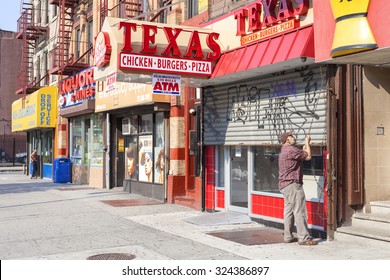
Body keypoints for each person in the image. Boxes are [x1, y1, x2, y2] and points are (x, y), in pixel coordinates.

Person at [278, 132, 318, 245]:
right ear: (287, 140)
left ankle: (288, 236)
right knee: (300, 211)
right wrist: (307, 142)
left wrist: (305, 147)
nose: (294, 138)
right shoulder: (291, 150)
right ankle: (304, 238)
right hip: (293, 185)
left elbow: (302, 154)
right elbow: (308, 156)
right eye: (291, 136)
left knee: (289, 212)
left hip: (284, 185)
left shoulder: (285, 150)